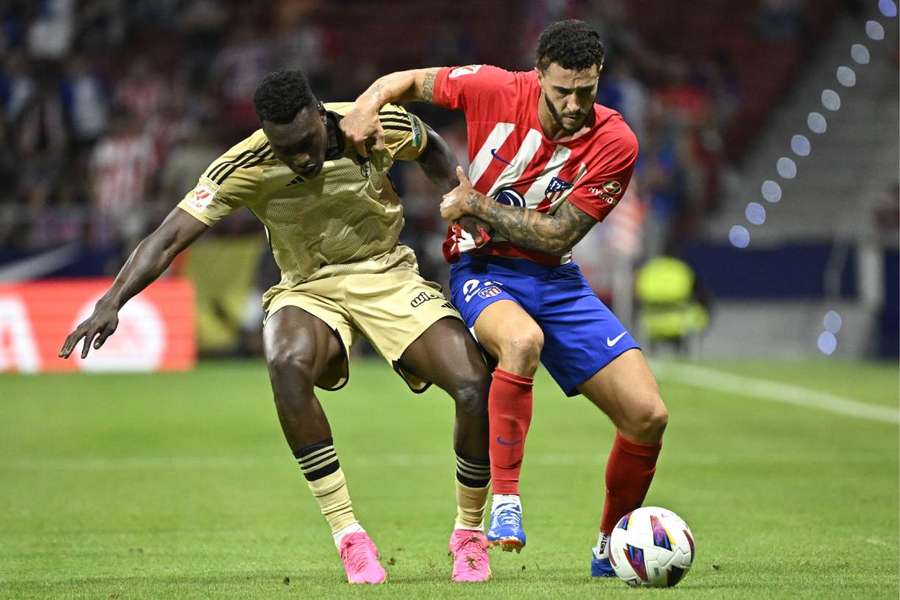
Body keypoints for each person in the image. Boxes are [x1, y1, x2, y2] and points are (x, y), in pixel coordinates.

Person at [59, 69, 494, 585]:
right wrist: (112, 301)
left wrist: (460, 197)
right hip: (307, 286)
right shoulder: (244, 164)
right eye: (286, 150)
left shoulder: (371, 124)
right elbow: (169, 236)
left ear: (318, 113)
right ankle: (349, 536)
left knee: (471, 384)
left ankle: (468, 535)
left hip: (387, 274)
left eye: (307, 142)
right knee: (285, 362)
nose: (302, 158)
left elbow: (433, 147)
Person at [341, 19, 668, 577]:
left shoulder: (616, 143)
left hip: (558, 279)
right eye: (561, 89)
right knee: (521, 340)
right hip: (482, 269)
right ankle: (506, 503)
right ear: (538, 74)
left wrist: (473, 204)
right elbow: (408, 81)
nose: (572, 103)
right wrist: (366, 103)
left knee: (648, 415)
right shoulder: (492, 88)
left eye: (585, 91)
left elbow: (558, 234)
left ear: (599, 79)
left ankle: (611, 545)